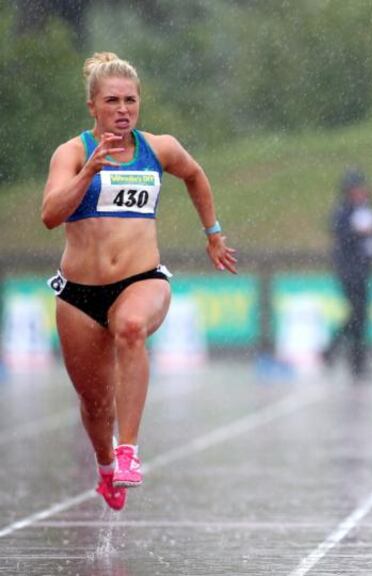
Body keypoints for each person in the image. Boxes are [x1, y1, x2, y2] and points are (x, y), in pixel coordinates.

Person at [41, 52, 237, 511]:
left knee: (131, 327)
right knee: (94, 404)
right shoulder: (71, 153)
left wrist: (213, 233)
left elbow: (194, 174)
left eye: (130, 100)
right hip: (79, 293)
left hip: (142, 278)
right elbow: (50, 215)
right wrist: (89, 170)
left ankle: (128, 450)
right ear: (93, 106)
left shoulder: (158, 148)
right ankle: (107, 466)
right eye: (112, 101)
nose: (123, 109)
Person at [323, 168, 372, 379]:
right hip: (349, 271)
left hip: (365, 270)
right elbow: (341, 233)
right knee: (357, 315)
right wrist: (360, 232)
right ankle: (352, 360)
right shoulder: (343, 211)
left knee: (359, 316)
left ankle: (336, 351)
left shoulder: (367, 209)